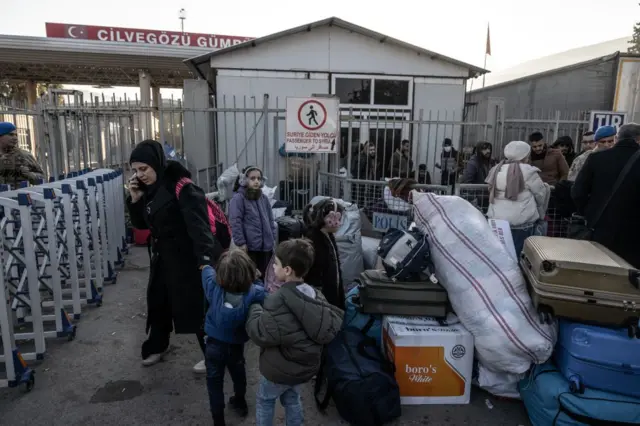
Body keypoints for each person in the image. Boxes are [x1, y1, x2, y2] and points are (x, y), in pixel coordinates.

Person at [126, 140, 223, 372]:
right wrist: (135, 199)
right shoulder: (149, 188)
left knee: (197, 307)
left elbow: (200, 229)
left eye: (144, 169)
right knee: (159, 303)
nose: (140, 175)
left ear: (156, 164)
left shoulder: (182, 187)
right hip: (162, 258)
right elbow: (142, 225)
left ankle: (214, 355)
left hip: (187, 259)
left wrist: (205, 263)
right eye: (136, 170)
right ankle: (158, 345)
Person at [245, 239, 343, 426]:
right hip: (303, 368)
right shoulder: (316, 295)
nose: (273, 267)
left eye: (276, 264)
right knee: (292, 399)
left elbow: (261, 334)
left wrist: (254, 310)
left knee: (265, 399)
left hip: (278, 370)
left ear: (287, 270)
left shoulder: (277, 301)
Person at [201, 249, 266, 426]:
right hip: (235, 346)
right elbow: (265, 292)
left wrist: (207, 264)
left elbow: (206, 272)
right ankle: (239, 401)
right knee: (238, 375)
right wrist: (257, 278)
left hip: (213, 345)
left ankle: (218, 420)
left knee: (214, 383)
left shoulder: (213, 287)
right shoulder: (253, 292)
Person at [572, 123, 640, 268]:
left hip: (599, 229)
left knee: (598, 273)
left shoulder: (596, 159)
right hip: (634, 236)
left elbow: (577, 192)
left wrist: (589, 212)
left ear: (617, 138)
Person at [486, 141, 550, 257]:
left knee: (500, 256)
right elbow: (540, 194)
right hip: (521, 223)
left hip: (498, 222)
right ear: (525, 155)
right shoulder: (529, 172)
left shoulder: (497, 170)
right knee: (519, 258)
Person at [229, 166, 277, 278]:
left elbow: (270, 220)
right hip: (250, 248)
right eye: (252, 178)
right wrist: (241, 242)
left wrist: (272, 237)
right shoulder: (238, 199)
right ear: (244, 180)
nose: (256, 181)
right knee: (251, 277)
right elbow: (235, 222)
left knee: (265, 276)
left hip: (265, 247)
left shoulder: (263, 198)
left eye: (259, 178)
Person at [302, 198, 346, 309]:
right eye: (332, 218)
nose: (337, 223)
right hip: (321, 298)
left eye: (338, 218)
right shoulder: (314, 238)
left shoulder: (328, 235)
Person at [0, 122, 45, 187]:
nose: (15, 138)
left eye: (16, 135)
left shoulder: (24, 155)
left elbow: (42, 178)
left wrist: (28, 174)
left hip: (19, 195)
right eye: (11, 135)